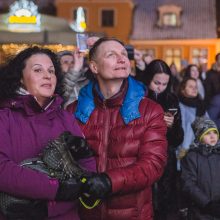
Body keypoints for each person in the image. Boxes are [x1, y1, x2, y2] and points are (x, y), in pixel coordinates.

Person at [67, 37, 168, 220]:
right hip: (85, 213)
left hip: (132, 214)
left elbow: (153, 165)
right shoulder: (74, 111)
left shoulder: (149, 110)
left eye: (123, 54)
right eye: (111, 55)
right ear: (94, 67)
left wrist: (109, 181)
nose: (122, 59)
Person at [0, 46, 96, 220]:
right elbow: (2, 169)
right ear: (21, 79)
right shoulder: (4, 117)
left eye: (51, 71)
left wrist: (84, 153)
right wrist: (56, 189)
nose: (47, 75)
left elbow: (87, 173)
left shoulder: (65, 117)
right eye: (38, 70)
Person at [144, 59, 184, 220]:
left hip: (166, 160)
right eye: (156, 82)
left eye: (164, 84)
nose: (160, 87)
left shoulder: (172, 99)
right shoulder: (139, 96)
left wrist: (173, 125)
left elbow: (178, 139)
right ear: (148, 79)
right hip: (143, 156)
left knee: (165, 203)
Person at [181, 116, 220, 219]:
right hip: (200, 212)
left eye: (215, 132)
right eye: (207, 133)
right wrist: (206, 204)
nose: (213, 136)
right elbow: (188, 184)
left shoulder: (218, 154)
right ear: (199, 136)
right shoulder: (192, 157)